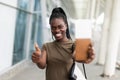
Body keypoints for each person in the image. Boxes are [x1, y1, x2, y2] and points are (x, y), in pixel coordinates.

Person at [31, 7, 95, 80]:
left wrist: (87, 56)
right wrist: (38, 59)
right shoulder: (47, 46)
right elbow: (42, 65)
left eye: (60, 27)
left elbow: (77, 56)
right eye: (53, 27)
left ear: (66, 26)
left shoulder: (73, 44)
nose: (57, 30)